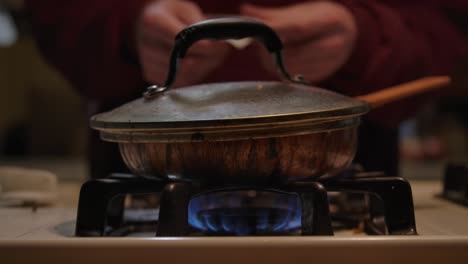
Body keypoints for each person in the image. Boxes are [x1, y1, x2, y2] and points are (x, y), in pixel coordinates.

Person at [25, 0, 468, 178]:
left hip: (341, 185)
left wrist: (369, 38)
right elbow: (53, 13)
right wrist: (123, 27)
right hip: (148, 182)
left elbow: (446, 23)